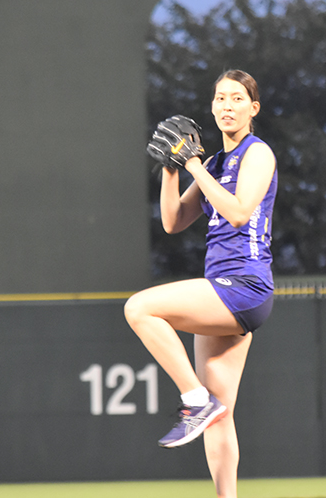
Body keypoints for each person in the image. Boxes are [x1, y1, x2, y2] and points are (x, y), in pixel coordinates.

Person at [124, 69, 277, 498]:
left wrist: (192, 163)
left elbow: (239, 213)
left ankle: (194, 400)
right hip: (224, 287)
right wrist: (171, 168)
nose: (227, 106)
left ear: (253, 108)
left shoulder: (257, 153)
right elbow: (173, 221)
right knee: (220, 416)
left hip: (245, 284)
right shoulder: (214, 164)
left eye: (237, 98)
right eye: (220, 98)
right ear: (212, 106)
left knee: (139, 308)